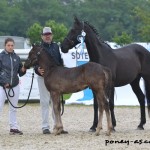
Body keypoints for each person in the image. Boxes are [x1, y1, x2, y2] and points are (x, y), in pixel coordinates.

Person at [34, 27, 68, 134]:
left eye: (49, 34)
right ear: (42, 36)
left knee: (56, 101)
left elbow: (58, 61)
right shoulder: (38, 48)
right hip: (43, 77)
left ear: (52, 35)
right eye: (45, 34)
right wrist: (37, 69)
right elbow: (34, 61)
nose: (47, 36)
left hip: (56, 78)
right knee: (44, 102)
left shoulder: (55, 46)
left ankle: (57, 125)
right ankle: (45, 126)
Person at [0, 38, 26, 135]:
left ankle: (13, 127)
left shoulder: (17, 57)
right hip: (2, 86)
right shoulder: (1, 57)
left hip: (14, 85)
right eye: (8, 45)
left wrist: (24, 69)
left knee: (13, 107)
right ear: (5, 46)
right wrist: (4, 82)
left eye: (12, 45)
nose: (10, 47)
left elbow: (20, 72)